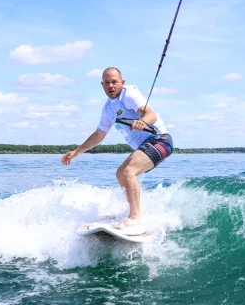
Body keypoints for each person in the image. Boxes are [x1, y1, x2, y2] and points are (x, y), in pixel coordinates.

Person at [61, 67, 173, 234]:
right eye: (107, 83)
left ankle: (135, 220)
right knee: (120, 174)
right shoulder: (108, 109)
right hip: (146, 146)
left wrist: (142, 121)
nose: (111, 86)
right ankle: (130, 213)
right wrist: (76, 152)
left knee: (129, 171)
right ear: (102, 85)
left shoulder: (129, 95)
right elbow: (99, 134)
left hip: (160, 141)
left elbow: (151, 114)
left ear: (122, 82)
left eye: (114, 82)